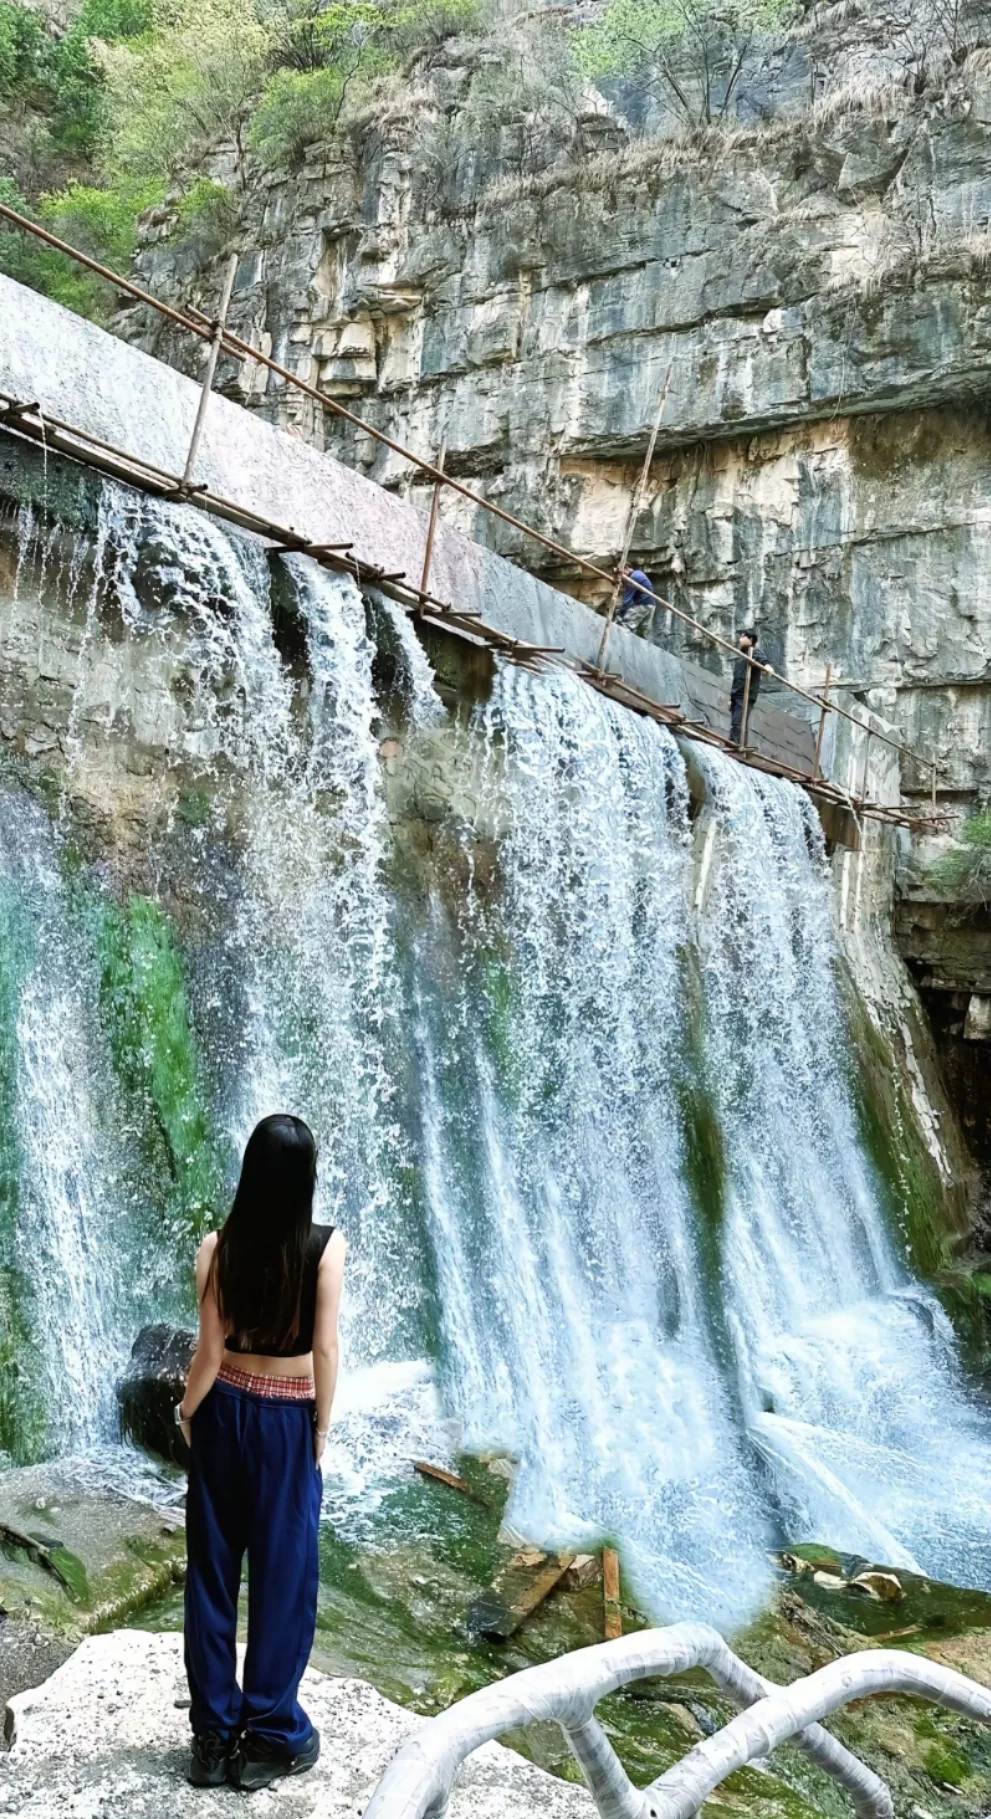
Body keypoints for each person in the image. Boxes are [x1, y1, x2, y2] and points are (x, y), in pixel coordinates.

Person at [175, 1113, 347, 1792]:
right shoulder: (325, 1249)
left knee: (212, 1575)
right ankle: (271, 1735)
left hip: (224, 1418)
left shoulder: (216, 1248)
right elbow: (326, 1348)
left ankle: (213, 1739)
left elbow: (209, 1353)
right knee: (284, 1579)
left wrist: (188, 1412)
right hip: (286, 1420)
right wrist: (321, 1427)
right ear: (306, 1178)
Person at [730, 626, 771, 745]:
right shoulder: (741, 657)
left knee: (739, 721)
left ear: (751, 639)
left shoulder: (753, 652)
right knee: (737, 721)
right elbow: (736, 679)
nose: (740, 639)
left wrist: (767, 667)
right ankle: (737, 742)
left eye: (743, 637)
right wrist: (730, 698)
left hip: (746, 694)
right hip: (737, 694)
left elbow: (763, 660)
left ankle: (736, 743)